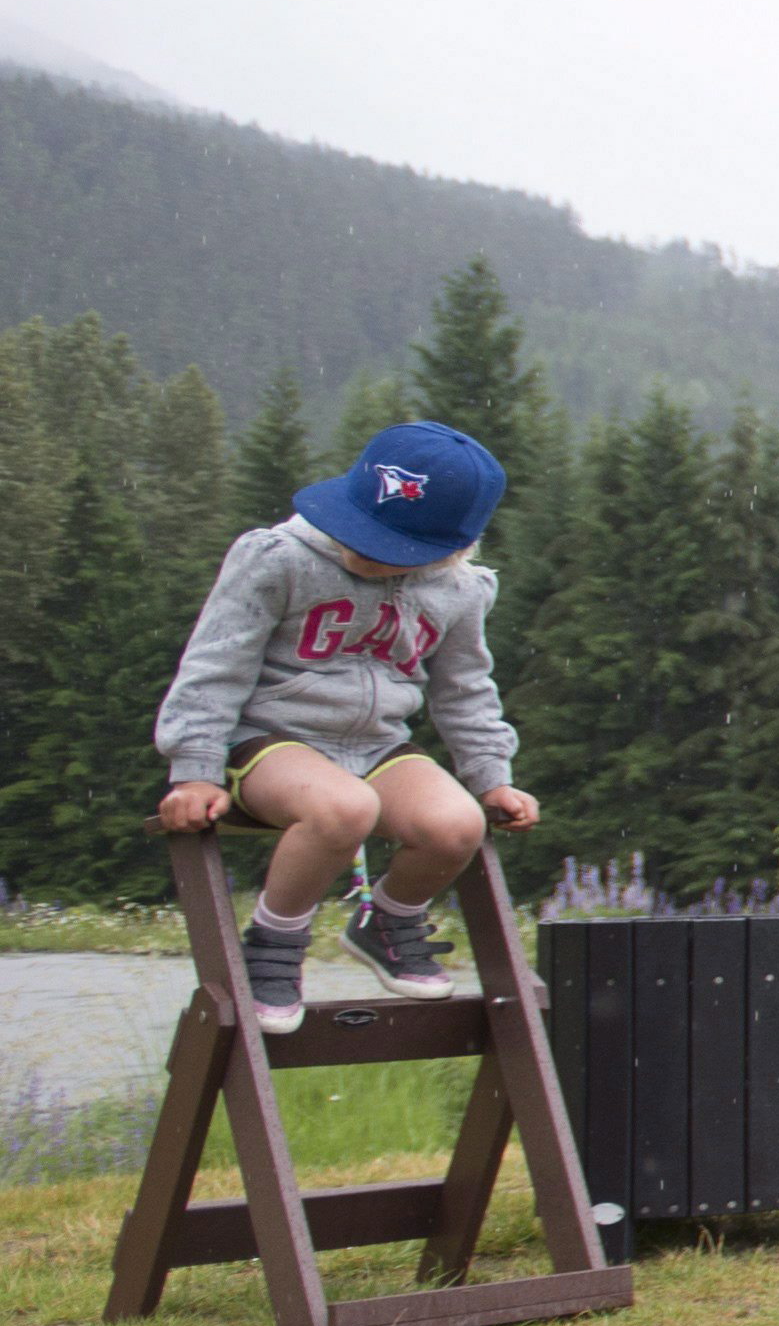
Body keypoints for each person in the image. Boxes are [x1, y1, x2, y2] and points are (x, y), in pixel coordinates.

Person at [150, 420, 539, 1037]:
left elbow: (465, 689)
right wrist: (193, 770)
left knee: (456, 823)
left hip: (379, 744)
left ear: (451, 549)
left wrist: (492, 777)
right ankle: (272, 947)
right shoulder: (278, 559)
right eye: (356, 529)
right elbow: (215, 664)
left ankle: (386, 920)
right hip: (271, 739)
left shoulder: (461, 592)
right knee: (343, 807)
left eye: (390, 548)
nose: (358, 552)